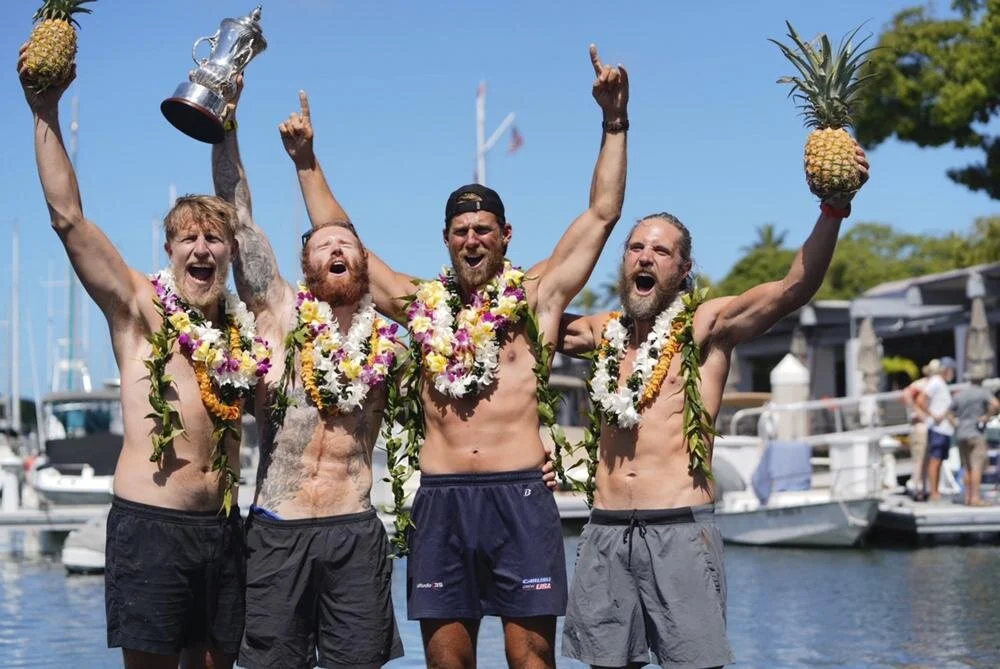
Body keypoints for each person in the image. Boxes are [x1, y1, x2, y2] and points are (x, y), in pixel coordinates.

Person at [288, 44, 629, 668]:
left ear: (505, 236)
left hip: (520, 496)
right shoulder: (419, 303)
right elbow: (347, 244)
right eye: (461, 231)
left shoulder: (537, 297)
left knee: (532, 661)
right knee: (449, 663)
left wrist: (614, 123)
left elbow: (602, 215)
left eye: (483, 230)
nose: (472, 240)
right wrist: (307, 162)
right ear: (446, 240)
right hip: (440, 500)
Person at [558, 152, 870, 667]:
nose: (645, 257)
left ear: (683, 270)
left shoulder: (705, 326)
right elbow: (534, 313)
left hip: (679, 528)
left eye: (661, 251)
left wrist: (833, 209)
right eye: (636, 247)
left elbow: (793, 288)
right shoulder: (600, 331)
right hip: (607, 530)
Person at [19, 50, 254, 668]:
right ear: (170, 250)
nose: (202, 249)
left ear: (230, 253)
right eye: (189, 238)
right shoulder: (139, 311)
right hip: (152, 526)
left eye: (214, 239)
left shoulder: (241, 331)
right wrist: (44, 109)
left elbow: (246, 214)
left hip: (224, 529)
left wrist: (227, 119)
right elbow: (68, 220)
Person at [211, 81, 404, 668]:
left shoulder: (393, 342)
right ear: (306, 265)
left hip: (355, 528)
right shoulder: (281, 314)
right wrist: (226, 123)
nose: (336, 248)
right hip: (278, 526)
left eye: (346, 242)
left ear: (365, 264)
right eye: (324, 244)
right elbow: (239, 221)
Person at [950, 371, 1000, 506]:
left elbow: (948, 411)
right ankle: (975, 498)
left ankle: (967, 497)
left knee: (967, 468)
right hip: (976, 434)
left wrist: (954, 422)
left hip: (961, 433)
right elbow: (996, 404)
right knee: (977, 466)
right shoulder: (982, 392)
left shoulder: (960, 394)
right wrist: (987, 417)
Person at [918, 356, 957, 502]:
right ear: (946, 370)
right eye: (952, 370)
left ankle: (935, 491)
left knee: (939, 461)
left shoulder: (940, 383)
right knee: (935, 461)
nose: (953, 373)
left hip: (944, 429)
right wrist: (933, 415)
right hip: (938, 429)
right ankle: (934, 493)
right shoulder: (935, 382)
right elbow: (921, 400)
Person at [902, 359, 938, 501]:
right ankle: (917, 488)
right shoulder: (921, 384)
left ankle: (923, 488)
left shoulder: (933, 385)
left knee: (927, 459)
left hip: (930, 425)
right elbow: (906, 394)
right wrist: (918, 411)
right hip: (921, 425)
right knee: (919, 459)